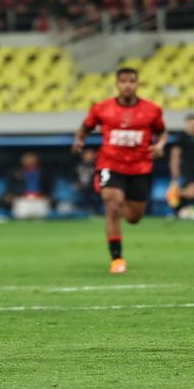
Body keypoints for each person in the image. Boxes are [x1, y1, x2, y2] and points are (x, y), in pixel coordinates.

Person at [72, 67, 167, 274]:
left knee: (134, 217)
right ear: (117, 84)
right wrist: (79, 140)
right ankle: (117, 259)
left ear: (137, 84)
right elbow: (85, 128)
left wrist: (159, 146)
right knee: (112, 205)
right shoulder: (102, 108)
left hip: (140, 167)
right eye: (123, 81)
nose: (127, 85)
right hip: (111, 164)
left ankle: (121, 200)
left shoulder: (152, 110)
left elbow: (162, 133)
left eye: (131, 81)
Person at [168, 114, 194, 218]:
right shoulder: (181, 139)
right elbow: (175, 156)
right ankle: (178, 211)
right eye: (190, 123)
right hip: (185, 171)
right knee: (176, 192)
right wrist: (174, 174)